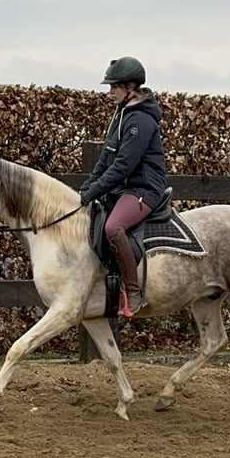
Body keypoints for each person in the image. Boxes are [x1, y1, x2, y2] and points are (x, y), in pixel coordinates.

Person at [79, 56, 167, 317]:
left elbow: (123, 167)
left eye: (114, 87)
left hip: (143, 190)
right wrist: (86, 188)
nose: (110, 93)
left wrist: (93, 191)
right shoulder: (121, 115)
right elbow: (106, 158)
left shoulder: (140, 122)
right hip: (124, 189)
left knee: (113, 227)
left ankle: (135, 291)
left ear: (130, 87)